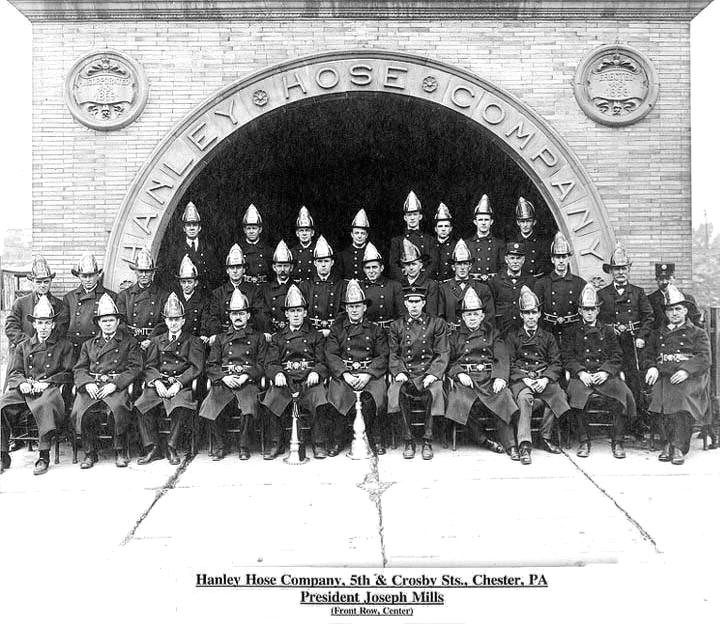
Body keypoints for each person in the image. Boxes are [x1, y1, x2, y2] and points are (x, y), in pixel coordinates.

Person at [0, 296, 74, 475]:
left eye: (47, 323)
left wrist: (47, 382)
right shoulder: (24, 346)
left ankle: (43, 455)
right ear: (34, 325)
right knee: (3, 404)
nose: (43, 327)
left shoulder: (64, 345)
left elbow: (68, 372)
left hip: (50, 390)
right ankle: (2, 454)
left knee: (44, 406)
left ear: (53, 325)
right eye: (40, 323)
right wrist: (22, 383)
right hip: (27, 388)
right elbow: (15, 372)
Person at [562, 284, 636, 459]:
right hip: (582, 377)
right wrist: (580, 372)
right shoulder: (571, 331)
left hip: (604, 376)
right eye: (586, 309)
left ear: (598, 310)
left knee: (623, 395)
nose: (589, 313)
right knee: (577, 398)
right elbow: (567, 357)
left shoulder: (608, 331)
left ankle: (618, 441)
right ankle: (584, 440)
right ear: (580, 311)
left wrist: (605, 372)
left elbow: (617, 356)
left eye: (592, 309)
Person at [71, 294, 142, 469]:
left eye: (111, 320)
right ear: (99, 323)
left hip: (115, 385)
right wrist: (87, 383)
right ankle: (89, 452)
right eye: (104, 321)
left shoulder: (129, 342)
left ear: (118, 322)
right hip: (93, 386)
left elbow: (135, 367)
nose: (108, 324)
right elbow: (79, 368)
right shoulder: (88, 344)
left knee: (117, 409)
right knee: (81, 410)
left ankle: (120, 451)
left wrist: (115, 385)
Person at [642, 285, 711, 465]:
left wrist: (686, 370)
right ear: (665, 312)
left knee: (681, 399)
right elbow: (648, 355)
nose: (674, 313)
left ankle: (678, 446)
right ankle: (666, 443)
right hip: (665, 376)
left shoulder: (697, 333)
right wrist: (651, 367)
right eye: (670, 309)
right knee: (656, 398)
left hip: (691, 378)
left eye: (678, 309)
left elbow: (704, 358)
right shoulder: (657, 334)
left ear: (686, 310)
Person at [134, 293, 205, 465]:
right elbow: (150, 366)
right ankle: (153, 447)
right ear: (165, 321)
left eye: (177, 319)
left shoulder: (193, 341)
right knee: (141, 404)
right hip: (160, 384)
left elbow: (196, 367)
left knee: (181, 405)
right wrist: (157, 381)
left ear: (183, 320)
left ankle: (171, 446)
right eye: (170, 319)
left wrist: (179, 383)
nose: (173, 323)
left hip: (181, 385)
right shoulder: (157, 341)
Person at [261, 285, 330, 459]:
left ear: (305, 313)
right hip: (287, 381)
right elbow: (270, 362)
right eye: (292, 311)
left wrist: (317, 372)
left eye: (299, 310)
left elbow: (323, 361)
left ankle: (319, 443)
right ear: (286, 314)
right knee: (271, 398)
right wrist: (277, 373)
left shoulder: (316, 336)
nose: (296, 314)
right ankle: (276, 443)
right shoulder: (278, 338)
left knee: (320, 399)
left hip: (309, 381)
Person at [445, 288, 517, 457]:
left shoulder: (493, 333)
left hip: (488, 377)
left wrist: (500, 377)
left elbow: (502, 357)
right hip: (467, 380)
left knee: (503, 396)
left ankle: (511, 445)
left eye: (475, 314)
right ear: (462, 317)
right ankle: (484, 440)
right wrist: (459, 373)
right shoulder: (455, 337)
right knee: (457, 400)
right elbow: (448, 361)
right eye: (468, 315)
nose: (472, 318)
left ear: (482, 316)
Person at [200, 289, 267, 460]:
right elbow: (211, 365)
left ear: (248, 316)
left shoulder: (258, 338)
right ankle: (220, 445)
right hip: (225, 381)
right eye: (234, 314)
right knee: (210, 405)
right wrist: (223, 377)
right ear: (229, 316)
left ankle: (243, 446)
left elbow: (262, 364)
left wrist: (247, 375)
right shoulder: (220, 339)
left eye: (241, 313)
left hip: (247, 382)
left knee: (249, 406)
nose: (238, 317)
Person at [325, 280, 389, 456]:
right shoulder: (337, 329)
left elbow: (383, 355)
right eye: (351, 306)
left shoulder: (375, 330)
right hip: (346, 375)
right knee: (337, 396)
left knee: (376, 397)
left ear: (364, 308)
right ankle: (337, 440)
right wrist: (345, 374)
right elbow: (331, 354)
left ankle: (375, 438)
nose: (354, 310)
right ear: (346, 309)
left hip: (369, 375)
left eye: (358, 306)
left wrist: (368, 374)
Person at [505, 286, 568, 464]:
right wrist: (524, 378)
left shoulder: (548, 337)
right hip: (522, 380)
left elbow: (556, 362)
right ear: (521, 315)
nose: (531, 317)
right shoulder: (513, 337)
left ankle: (545, 436)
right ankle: (524, 444)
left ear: (540, 314)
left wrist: (545, 378)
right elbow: (509, 362)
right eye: (527, 313)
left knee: (559, 395)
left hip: (542, 379)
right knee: (524, 399)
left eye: (534, 312)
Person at [387, 285, 449, 460]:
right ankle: (408, 440)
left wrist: (433, 373)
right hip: (406, 372)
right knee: (397, 392)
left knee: (435, 391)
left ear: (424, 303)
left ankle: (427, 441)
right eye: (410, 302)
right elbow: (393, 353)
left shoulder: (436, 324)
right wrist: (399, 370)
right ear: (405, 303)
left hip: (427, 372)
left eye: (417, 302)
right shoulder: (396, 325)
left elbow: (442, 352)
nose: (414, 306)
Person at [597, 242, 654, 428]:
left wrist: (641, 336)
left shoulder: (638, 293)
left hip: (632, 343)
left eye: (623, 269)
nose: (620, 272)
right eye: (616, 269)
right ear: (611, 272)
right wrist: (609, 330)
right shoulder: (603, 294)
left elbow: (649, 317)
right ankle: (616, 423)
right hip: (611, 345)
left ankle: (636, 422)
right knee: (612, 379)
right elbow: (597, 321)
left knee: (634, 379)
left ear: (628, 270)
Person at [6, 257, 67, 371]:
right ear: (32, 282)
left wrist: (45, 345)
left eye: (46, 281)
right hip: (24, 353)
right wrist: (29, 344)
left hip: (49, 354)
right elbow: (11, 328)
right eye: (38, 282)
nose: (42, 285)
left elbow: (61, 329)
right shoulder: (20, 303)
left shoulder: (59, 305)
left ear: (50, 282)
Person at [533, 231, 586, 350]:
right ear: (552, 259)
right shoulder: (542, 283)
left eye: (564, 257)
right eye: (557, 257)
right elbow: (536, 312)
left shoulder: (580, 283)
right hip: (549, 331)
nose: (561, 261)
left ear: (569, 259)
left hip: (574, 331)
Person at [63, 253, 117, 361]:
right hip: (75, 348)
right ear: (79, 276)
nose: (88, 279)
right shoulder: (70, 297)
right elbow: (62, 326)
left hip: (98, 347)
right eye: (84, 276)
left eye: (91, 275)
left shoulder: (110, 296)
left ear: (98, 275)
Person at [116, 248, 169, 350]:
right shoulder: (124, 296)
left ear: (153, 272)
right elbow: (120, 322)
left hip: (154, 343)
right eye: (141, 271)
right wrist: (130, 340)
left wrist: (151, 339)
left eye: (147, 271)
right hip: (130, 342)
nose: (144, 275)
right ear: (135, 272)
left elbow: (164, 322)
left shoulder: (163, 296)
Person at [438, 239, 495, 332]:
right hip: (452, 336)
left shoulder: (482, 289)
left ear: (470, 266)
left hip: (476, 336)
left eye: (465, 263)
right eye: (459, 264)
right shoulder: (444, 289)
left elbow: (489, 317)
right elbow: (440, 317)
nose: (462, 267)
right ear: (453, 267)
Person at [207, 244, 260, 338]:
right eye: (232, 267)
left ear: (244, 270)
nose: (235, 271)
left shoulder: (254, 291)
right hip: (224, 337)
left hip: (249, 337)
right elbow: (213, 318)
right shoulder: (218, 293)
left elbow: (259, 316)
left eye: (238, 267)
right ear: (227, 270)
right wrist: (217, 336)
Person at [164, 201, 219, 290]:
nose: (192, 228)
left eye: (195, 225)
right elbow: (170, 275)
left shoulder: (208, 248)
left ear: (199, 228)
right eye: (188, 225)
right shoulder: (176, 249)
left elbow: (215, 274)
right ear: (184, 228)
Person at [299, 235, 345, 338]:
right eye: (320, 261)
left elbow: (344, 312)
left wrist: (332, 329)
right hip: (311, 333)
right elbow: (302, 312)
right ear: (315, 263)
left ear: (332, 262)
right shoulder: (305, 286)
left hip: (334, 332)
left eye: (326, 261)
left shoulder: (341, 285)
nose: (323, 265)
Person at [388, 191, 438, 281]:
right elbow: (393, 264)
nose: (412, 218)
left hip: (424, 283)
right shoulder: (397, 241)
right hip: (404, 283)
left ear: (420, 216)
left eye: (415, 214)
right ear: (405, 218)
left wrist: (421, 279)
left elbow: (433, 262)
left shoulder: (429, 240)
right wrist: (405, 280)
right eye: (409, 215)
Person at [488, 241, 535, 336]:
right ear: (506, 259)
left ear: (523, 260)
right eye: (512, 258)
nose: (515, 261)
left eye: (518, 258)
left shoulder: (531, 281)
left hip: (524, 332)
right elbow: (490, 312)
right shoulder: (495, 282)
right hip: (502, 332)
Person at [257, 240, 296, 339]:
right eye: (279, 266)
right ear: (274, 267)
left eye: (286, 266)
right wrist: (268, 330)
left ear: (291, 267)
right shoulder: (265, 289)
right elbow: (262, 313)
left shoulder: (298, 288)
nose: (282, 270)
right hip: (272, 333)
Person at [361, 243, 404, 332]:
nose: (371, 271)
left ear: (382, 268)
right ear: (364, 270)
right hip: (368, 332)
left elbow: (402, 315)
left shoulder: (394, 286)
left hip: (390, 332)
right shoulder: (360, 287)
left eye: (374, 267)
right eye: (368, 268)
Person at [648, 262, 702, 329]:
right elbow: (648, 322)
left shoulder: (687, 298)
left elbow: (696, 321)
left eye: (668, 278)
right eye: (661, 279)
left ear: (674, 278)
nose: (665, 282)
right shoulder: (650, 300)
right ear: (656, 280)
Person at [465, 194, 505, 282]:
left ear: (491, 222)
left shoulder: (499, 244)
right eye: (480, 220)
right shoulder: (467, 244)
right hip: (473, 284)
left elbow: (504, 268)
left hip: (494, 284)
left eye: (486, 220)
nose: (483, 223)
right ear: (475, 222)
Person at [172, 255, 212, 342]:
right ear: (180, 283)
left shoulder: (203, 301)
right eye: (184, 282)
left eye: (190, 282)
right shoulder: (174, 299)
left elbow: (205, 321)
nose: (186, 285)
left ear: (196, 283)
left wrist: (203, 335)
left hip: (194, 341)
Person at [396, 238, 439, 316]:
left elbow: (431, 313)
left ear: (421, 265)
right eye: (408, 265)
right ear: (404, 267)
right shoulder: (398, 285)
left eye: (414, 264)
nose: (411, 268)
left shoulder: (431, 285)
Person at [514, 197, 551, 278]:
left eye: (528, 221)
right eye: (522, 221)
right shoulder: (513, 242)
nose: (525, 225)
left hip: (539, 282)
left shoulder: (543, 242)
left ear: (534, 222)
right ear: (518, 222)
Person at [239, 204, 273, 284]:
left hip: (264, 288)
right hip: (245, 288)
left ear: (260, 229)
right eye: (248, 228)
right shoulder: (239, 250)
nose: (251, 231)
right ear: (244, 230)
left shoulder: (268, 251)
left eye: (254, 228)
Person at [336, 209, 371, 281]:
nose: (359, 236)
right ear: (352, 234)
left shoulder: (371, 253)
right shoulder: (343, 255)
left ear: (367, 235)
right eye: (357, 233)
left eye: (362, 233)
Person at [291, 206, 317, 282]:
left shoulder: (318, 250)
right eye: (301, 230)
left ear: (312, 233)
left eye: (307, 230)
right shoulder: (292, 252)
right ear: (297, 233)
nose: (304, 233)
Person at [433, 202, 458, 282]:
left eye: (446, 226)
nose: (443, 229)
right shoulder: (429, 244)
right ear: (436, 229)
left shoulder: (456, 246)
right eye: (440, 226)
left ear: (450, 228)